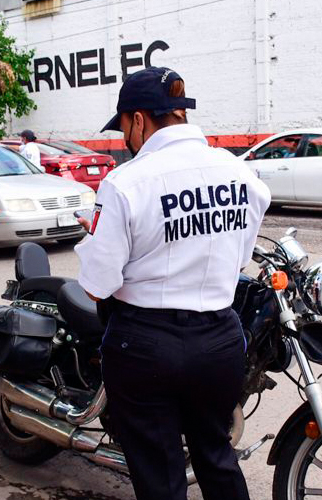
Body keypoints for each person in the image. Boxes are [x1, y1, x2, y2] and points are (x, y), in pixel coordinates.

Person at [75, 67, 270, 500]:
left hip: (146, 346)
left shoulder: (125, 183)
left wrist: (95, 233)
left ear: (138, 120)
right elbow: (237, 259)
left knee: (160, 473)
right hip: (220, 340)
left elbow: (96, 286)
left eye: (124, 127)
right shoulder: (241, 175)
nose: (125, 139)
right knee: (217, 457)